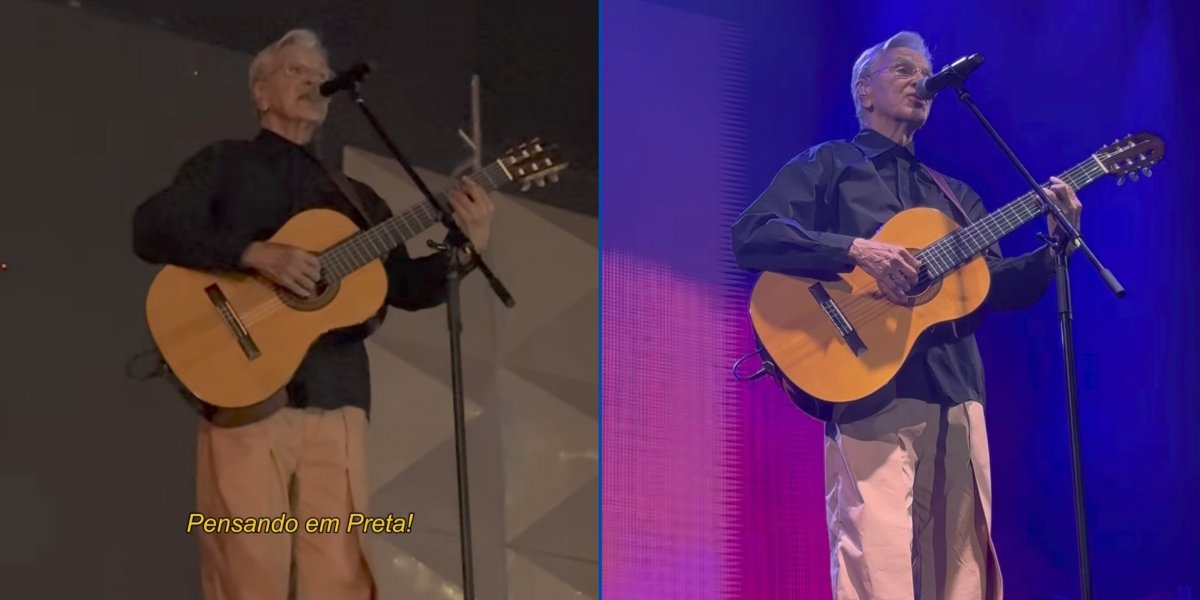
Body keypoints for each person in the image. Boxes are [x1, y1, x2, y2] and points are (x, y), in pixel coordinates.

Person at [132, 28, 495, 600]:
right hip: (244, 395)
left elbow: (406, 286)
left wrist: (468, 247)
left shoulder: (357, 198)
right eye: (295, 71)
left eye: (316, 72)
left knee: (341, 577)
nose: (311, 80)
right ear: (261, 93)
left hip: (338, 400)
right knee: (248, 571)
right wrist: (253, 253)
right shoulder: (225, 164)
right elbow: (153, 226)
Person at [731, 31, 1082, 599]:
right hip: (868, 385)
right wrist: (855, 251)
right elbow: (753, 236)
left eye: (926, 73)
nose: (921, 81)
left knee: (963, 569)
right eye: (902, 69)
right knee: (877, 556)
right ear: (864, 91)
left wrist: (1054, 247)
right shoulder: (829, 165)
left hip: (956, 392)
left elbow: (997, 289)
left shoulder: (955, 195)